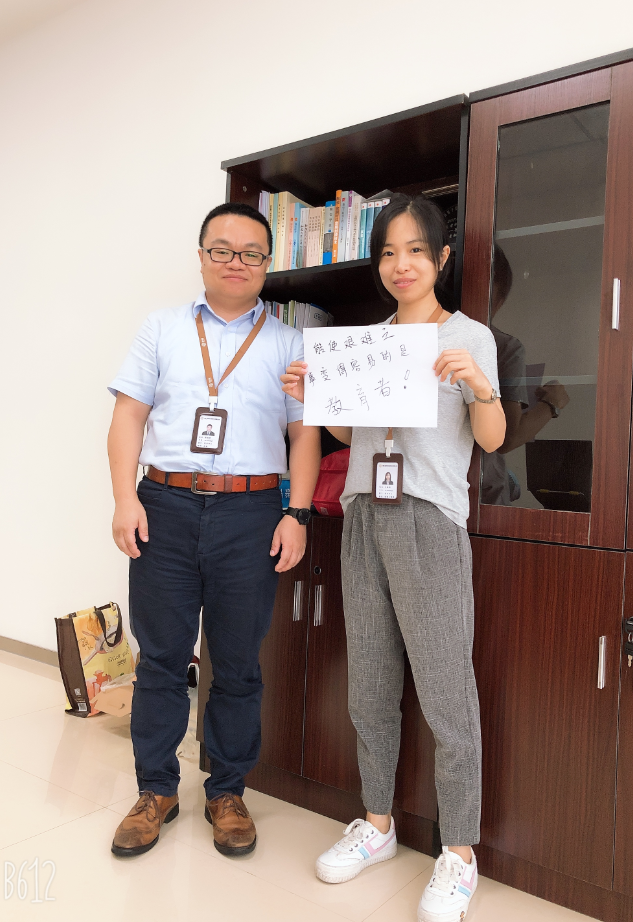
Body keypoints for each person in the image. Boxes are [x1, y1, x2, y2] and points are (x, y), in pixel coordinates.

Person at [282, 195, 505, 922]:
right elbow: (352, 434)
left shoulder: (468, 336)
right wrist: (318, 395)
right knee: (370, 683)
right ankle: (376, 824)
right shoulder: (367, 341)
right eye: (387, 252)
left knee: (446, 691)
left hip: (428, 521)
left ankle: (459, 853)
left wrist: (478, 385)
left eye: (414, 250)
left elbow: (492, 438)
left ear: (441, 258)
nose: (399, 265)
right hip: (362, 515)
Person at [107, 202, 320, 859]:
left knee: (236, 662)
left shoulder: (289, 343)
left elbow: (303, 434)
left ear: (267, 264)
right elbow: (128, 416)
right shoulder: (162, 328)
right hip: (164, 506)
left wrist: (297, 513)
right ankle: (155, 790)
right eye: (222, 250)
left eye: (251, 253)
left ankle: (227, 791)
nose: (236, 262)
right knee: (162, 658)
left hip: (250, 514)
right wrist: (124, 499)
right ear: (201, 256)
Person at [482, 246, 570, 505]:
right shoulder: (503, 346)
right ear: (497, 298)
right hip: (481, 499)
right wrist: (552, 404)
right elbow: (505, 438)